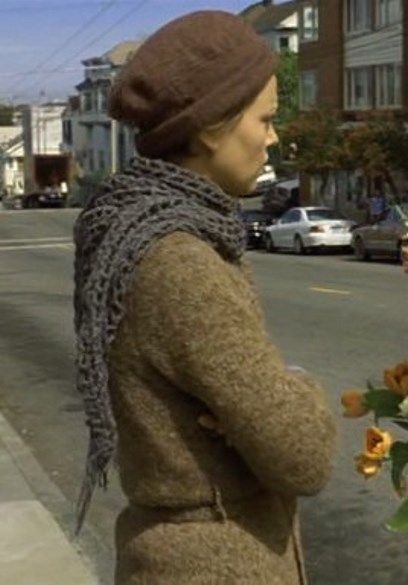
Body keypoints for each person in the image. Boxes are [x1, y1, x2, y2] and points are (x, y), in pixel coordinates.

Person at [72, 11, 337, 584]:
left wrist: (252, 407)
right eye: (265, 119)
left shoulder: (140, 227)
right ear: (212, 126)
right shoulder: (180, 260)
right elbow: (302, 456)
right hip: (217, 562)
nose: (274, 137)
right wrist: (298, 384)